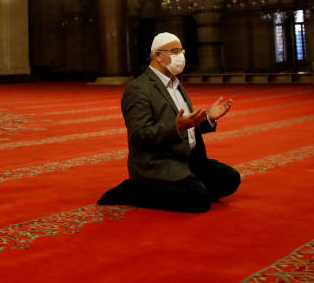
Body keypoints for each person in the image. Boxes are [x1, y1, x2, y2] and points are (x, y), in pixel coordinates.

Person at [98, 32, 240, 212]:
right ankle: (135, 189)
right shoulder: (138, 89)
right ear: (158, 55)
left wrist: (208, 118)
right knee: (200, 199)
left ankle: (186, 184)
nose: (180, 57)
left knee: (230, 179)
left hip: (188, 159)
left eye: (181, 51)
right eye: (174, 51)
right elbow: (139, 136)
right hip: (160, 163)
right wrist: (176, 127)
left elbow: (187, 126)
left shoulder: (175, 83)